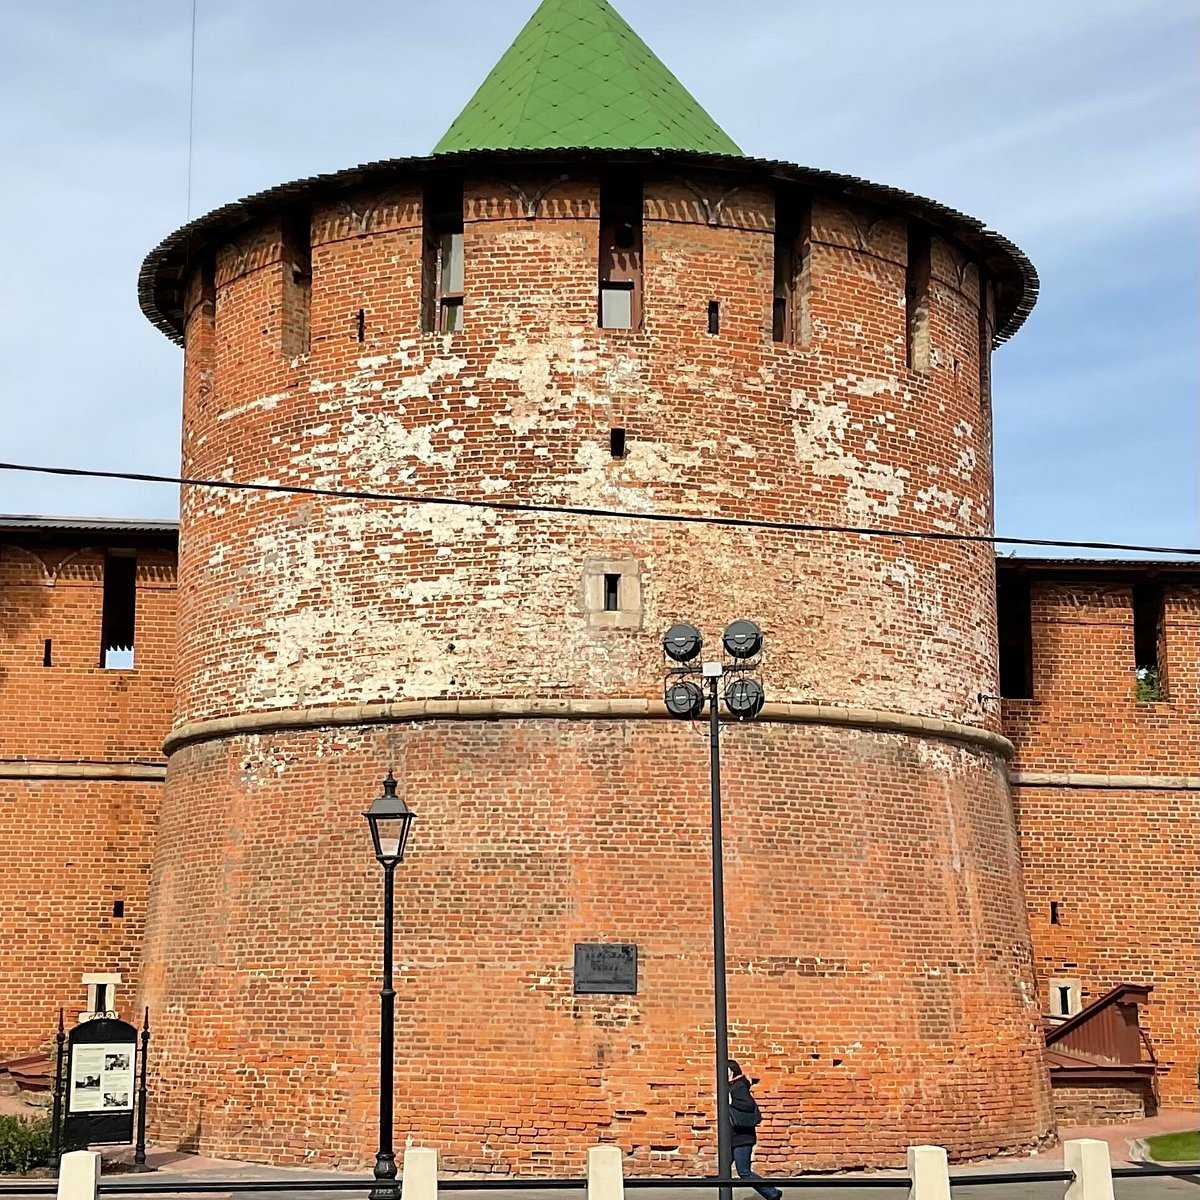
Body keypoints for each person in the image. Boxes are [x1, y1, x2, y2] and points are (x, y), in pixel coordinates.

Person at [728, 1059, 782, 1200]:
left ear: (731, 1072)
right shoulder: (733, 1087)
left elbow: (748, 1105)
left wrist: (730, 1104)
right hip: (734, 1137)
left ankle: (772, 1193)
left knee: (744, 1172)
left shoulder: (738, 1087)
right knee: (724, 1168)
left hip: (742, 1138)